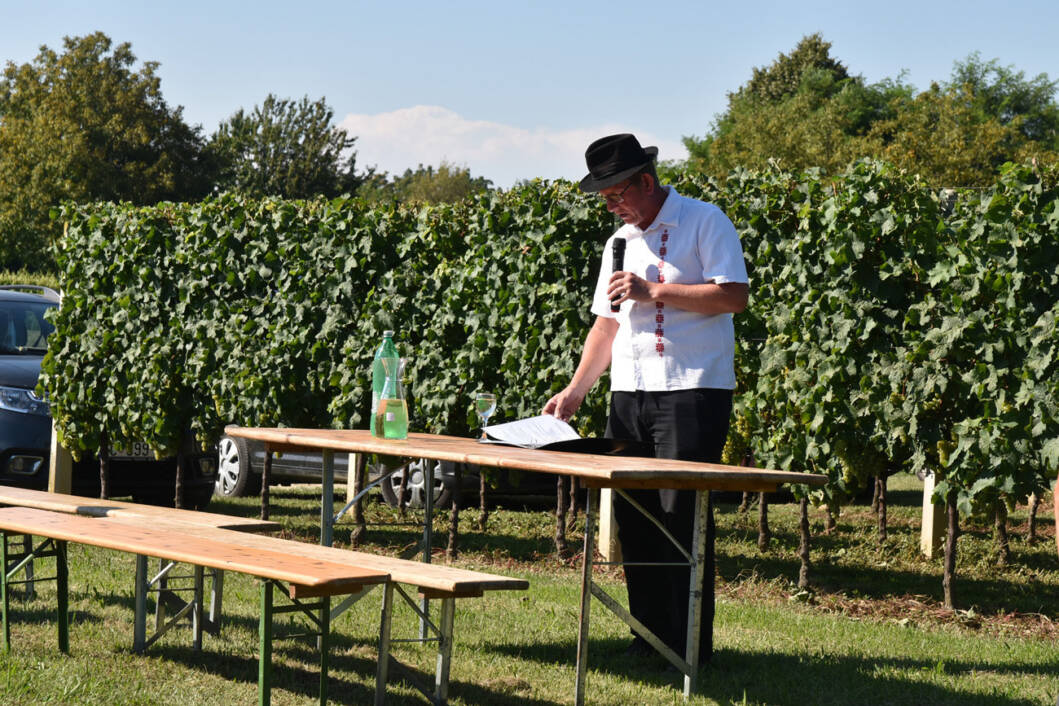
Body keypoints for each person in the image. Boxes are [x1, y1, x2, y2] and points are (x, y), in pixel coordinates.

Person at [543, 133, 749, 663]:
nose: (612, 206)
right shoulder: (618, 243)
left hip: (692, 390)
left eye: (616, 194)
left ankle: (687, 647)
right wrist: (574, 391)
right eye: (605, 198)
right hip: (629, 396)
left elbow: (734, 296)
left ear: (646, 181)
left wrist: (654, 290)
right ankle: (647, 639)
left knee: (681, 517)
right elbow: (605, 327)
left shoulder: (705, 221)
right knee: (634, 519)